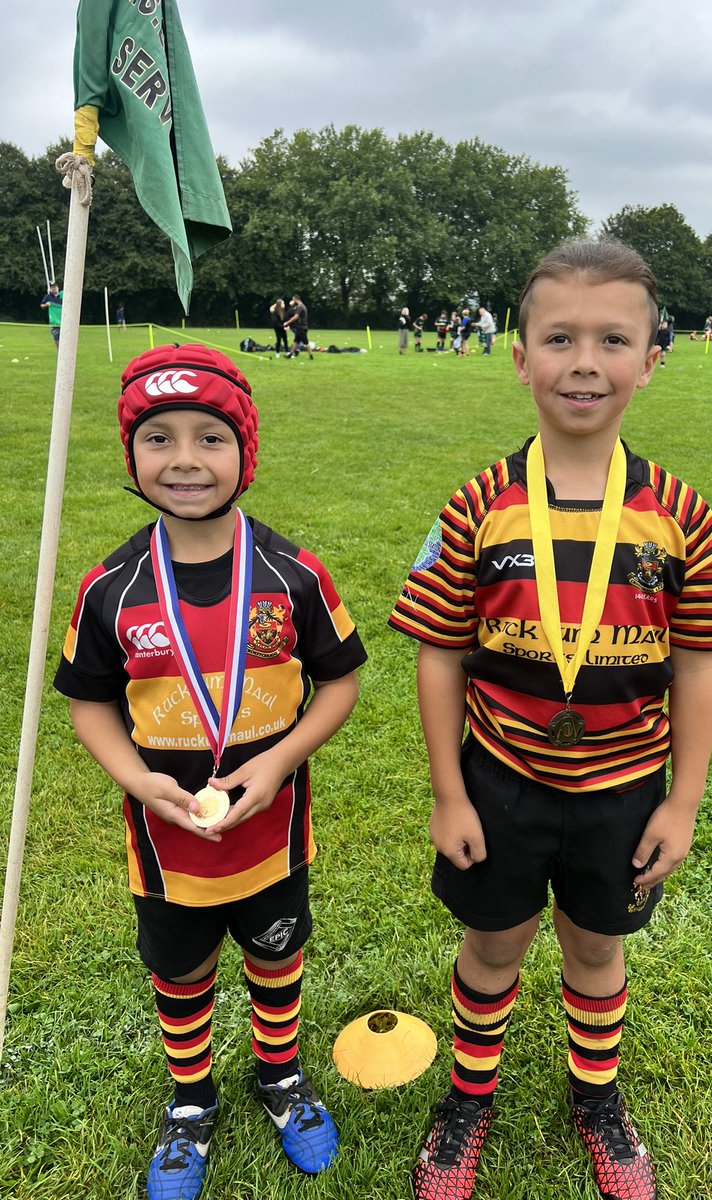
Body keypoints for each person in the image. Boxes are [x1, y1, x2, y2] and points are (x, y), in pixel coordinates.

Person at [389, 238, 712, 1200]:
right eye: (558, 337)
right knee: (494, 943)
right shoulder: (478, 507)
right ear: (519, 356)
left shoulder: (683, 515)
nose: (584, 361)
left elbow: (701, 660)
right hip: (498, 784)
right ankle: (470, 1098)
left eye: (611, 339)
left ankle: (596, 1097)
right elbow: (436, 653)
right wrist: (446, 793)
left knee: (597, 948)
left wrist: (683, 801)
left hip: (624, 792)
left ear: (650, 358)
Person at [53, 344, 367, 1200]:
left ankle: (281, 1079)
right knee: (181, 974)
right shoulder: (110, 588)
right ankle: (191, 1103)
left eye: (210, 438)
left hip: (273, 834)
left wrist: (278, 761)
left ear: (245, 453)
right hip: (166, 847)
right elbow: (88, 703)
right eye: (158, 438)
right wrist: (139, 778)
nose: (185, 459)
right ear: (131, 455)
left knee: (276, 961)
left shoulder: (293, 574)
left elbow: (339, 681)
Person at [284, 295, 314, 360]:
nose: (293, 301)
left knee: (305, 342)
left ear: (296, 299)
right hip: (301, 327)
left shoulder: (300, 307)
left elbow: (295, 317)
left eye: (293, 300)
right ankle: (290, 355)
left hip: (301, 328)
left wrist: (287, 323)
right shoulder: (302, 306)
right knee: (296, 341)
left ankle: (311, 356)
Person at [40, 281, 63, 350]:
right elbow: (42, 305)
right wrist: (46, 305)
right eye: (52, 287)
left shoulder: (62, 295)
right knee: (56, 338)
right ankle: (59, 352)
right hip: (54, 322)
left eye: (55, 287)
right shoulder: (48, 297)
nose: (54, 289)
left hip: (63, 322)